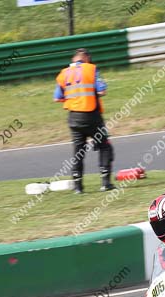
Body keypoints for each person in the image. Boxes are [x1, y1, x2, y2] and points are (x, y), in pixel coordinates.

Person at [54, 48, 114, 193]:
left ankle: (78, 187)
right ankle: (105, 183)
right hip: (92, 115)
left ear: (74, 59)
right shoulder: (91, 69)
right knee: (105, 146)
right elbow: (102, 91)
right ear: (86, 58)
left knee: (78, 152)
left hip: (74, 118)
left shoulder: (64, 73)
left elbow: (57, 98)